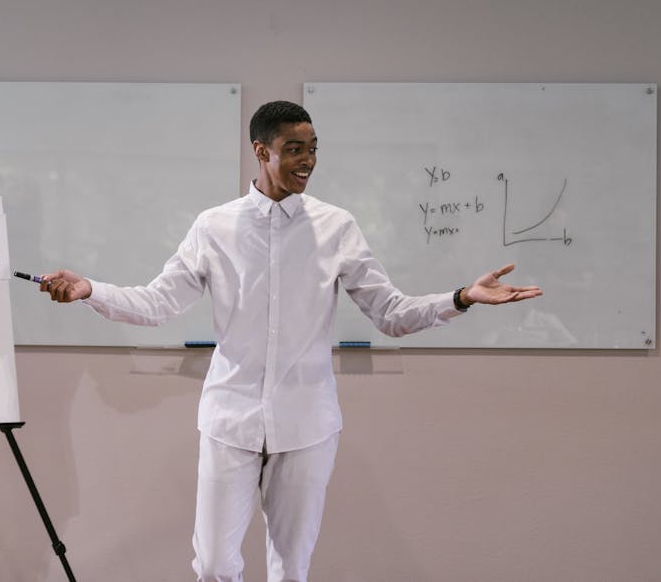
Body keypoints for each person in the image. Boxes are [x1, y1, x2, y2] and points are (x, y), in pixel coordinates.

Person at [40, 100, 542, 582]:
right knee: (213, 566)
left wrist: (461, 297)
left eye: (313, 148)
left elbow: (390, 313)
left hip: (307, 424)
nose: (308, 161)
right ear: (261, 151)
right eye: (295, 149)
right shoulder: (214, 227)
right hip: (230, 420)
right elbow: (158, 303)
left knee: (291, 569)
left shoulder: (336, 227)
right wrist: (91, 290)